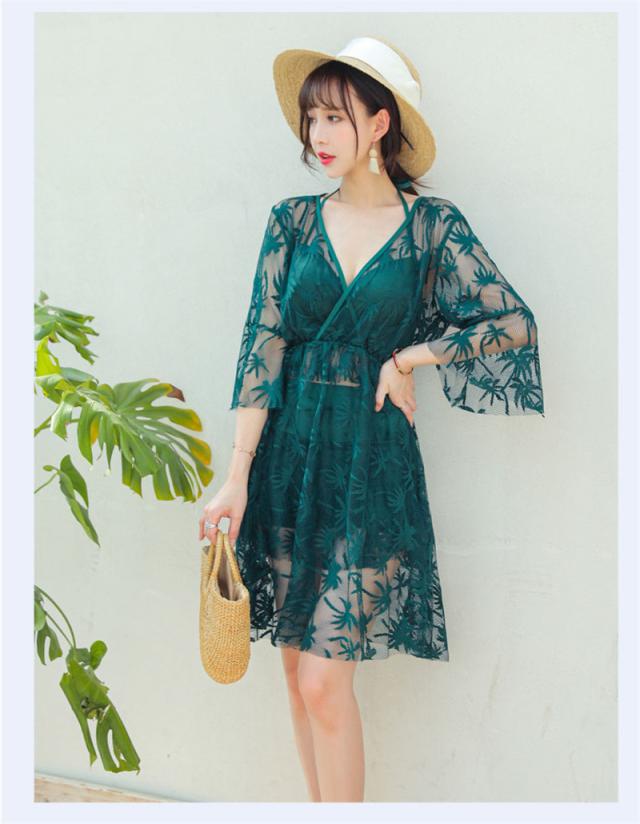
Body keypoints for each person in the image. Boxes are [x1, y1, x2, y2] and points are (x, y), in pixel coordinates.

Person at [199, 35, 545, 803]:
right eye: (311, 118)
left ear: (380, 123)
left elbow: (513, 323)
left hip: (368, 465)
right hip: (287, 459)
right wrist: (236, 478)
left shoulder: (431, 228)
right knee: (297, 676)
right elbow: (262, 344)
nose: (317, 135)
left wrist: (410, 357)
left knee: (324, 683)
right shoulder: (291, 222)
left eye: (335, 117)